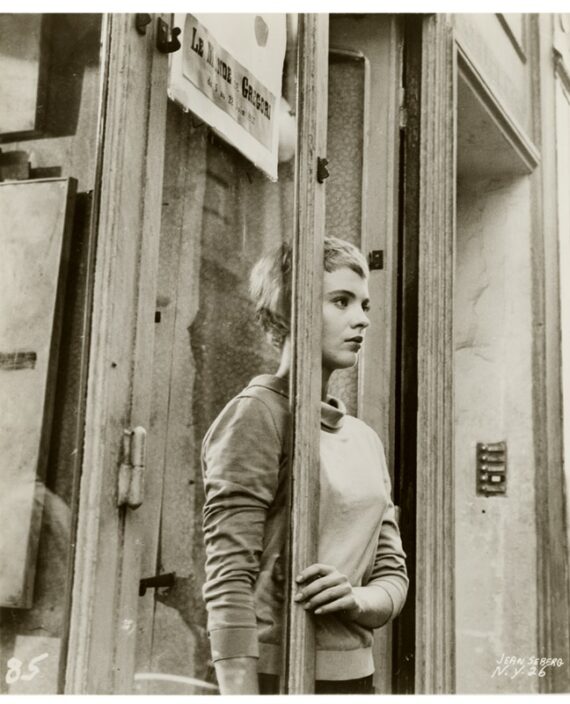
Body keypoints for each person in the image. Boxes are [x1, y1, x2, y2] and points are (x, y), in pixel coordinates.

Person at [201, 237, 408, 694]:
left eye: (364, 304)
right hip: (277, 676)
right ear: (290, 309)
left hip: (356, 681)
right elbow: (229, 575)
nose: (362, 319)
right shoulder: (257, 414)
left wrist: (356, 598)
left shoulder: (364, 440)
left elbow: (393, 574)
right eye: (341, 301)